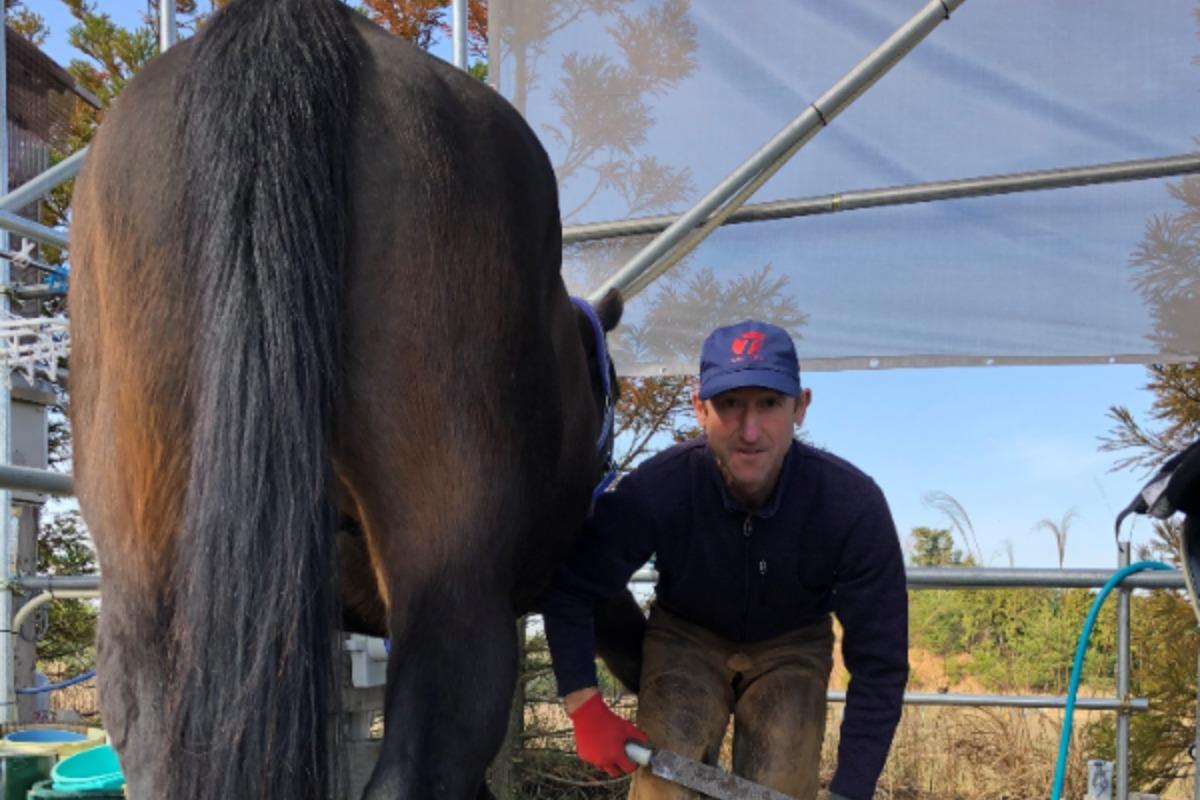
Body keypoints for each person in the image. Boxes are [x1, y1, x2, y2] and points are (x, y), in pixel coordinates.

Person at [539, 320, 909, 800]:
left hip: (792, 646)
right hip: (686, 637)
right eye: (730, 404)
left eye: (769, 404)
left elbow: (880, 662)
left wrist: (852, 789)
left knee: (782, 785)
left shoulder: (851, 506)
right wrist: (582, 701)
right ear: (700, 409)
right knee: (662, 790)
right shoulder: (659, 489)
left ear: (800, 408)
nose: (750, 431)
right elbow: (573, 583)